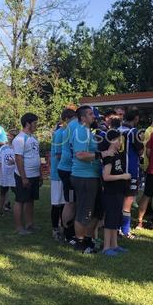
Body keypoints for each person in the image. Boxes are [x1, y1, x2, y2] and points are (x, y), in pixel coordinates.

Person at [70, 106, 102, 253]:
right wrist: (101, 155)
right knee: (84, 211)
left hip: (92, 176)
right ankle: (80, 243)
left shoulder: (88, 131)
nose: (93, 116)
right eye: (90, 114)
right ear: (83, 118)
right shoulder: (81, 132)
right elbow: (80, 155)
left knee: (94, 211)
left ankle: (88, 240)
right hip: (83, 176)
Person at [100, 129, 132, 255]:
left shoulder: (117, 153)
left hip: (119, 191)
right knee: (110, 219)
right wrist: (123, 176)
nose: (120, 142)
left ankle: (114, 245)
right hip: (111, 192)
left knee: (116, 219)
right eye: (118, 140)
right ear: (111, 141)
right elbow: (106, 176)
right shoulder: (109, 156)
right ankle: (106, 247)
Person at [57, 107, 84, 241]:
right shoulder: (75, 126)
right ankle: (67, 234)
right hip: (68, 170)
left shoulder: (71, 126)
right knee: (71, 202)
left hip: (68, 169)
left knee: (72, 201)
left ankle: (69, 231)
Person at [13, 113, 42, 235]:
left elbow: (36, 156)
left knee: (30, 200)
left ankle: (30, 224)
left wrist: (40, 174)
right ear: (27, 124)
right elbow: (18, 158)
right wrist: (23, 177)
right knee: (20, 200)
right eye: (34, 123)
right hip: (24, 175)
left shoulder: (33, 138)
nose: (36, 125)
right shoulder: (20, 139)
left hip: (34, 175)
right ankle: (19, 227)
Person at [117, 107, 143, 238]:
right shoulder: (133, 132)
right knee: (128, 201)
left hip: (117, 170)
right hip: (130, 170)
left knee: (118, 200)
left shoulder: (116, 130)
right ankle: (125, 230)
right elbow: (140, 151)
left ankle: (116, 227)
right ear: (136, 118)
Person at [50, 109, 75, 240]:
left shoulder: (68, 132)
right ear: (66, 119)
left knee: (66, 202)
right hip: (58, 174)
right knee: (57, 203)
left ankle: (65, 229)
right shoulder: (60, 133)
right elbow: (59, 155)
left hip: (66, 173)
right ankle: (55, 229)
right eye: (72, 119)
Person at [0, 129, 17, 217]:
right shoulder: (3, 148)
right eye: (8, 135)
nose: (8, 137)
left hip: (15, 174)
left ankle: (18, 211)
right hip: (4, 174)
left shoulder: (18, 148)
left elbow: (21, 160)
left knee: (17, 193)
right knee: (2, 193)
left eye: (10, 136)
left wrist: (14, 162)